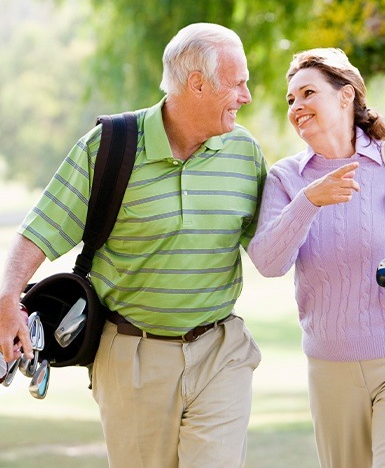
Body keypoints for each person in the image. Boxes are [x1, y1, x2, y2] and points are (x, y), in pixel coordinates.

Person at [0, 23, 267, 467]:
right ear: (198, 84)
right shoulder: (110, 146)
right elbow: (40, 229)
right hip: (133, 355)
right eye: (238, 82)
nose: (246, 95)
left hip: (222, 350)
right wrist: (9, 296)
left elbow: (273, 243)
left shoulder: (244, 153)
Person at [247, 48, 385, 468]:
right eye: (290, 100)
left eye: (307, 93)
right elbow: (268, 262)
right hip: (332, 367)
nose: (296, 107)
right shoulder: (287, 179)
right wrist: (308, 202)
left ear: (345, 96)